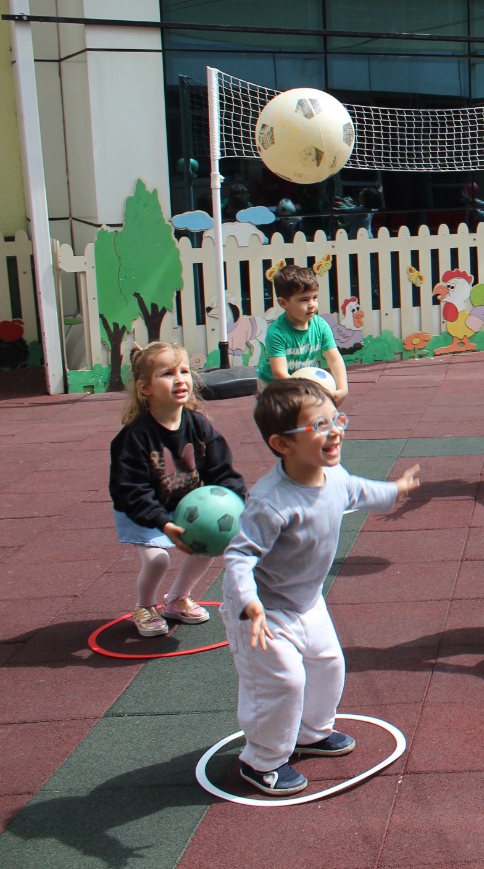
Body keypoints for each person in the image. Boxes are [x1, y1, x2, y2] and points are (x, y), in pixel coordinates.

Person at [223, 379, 421, 796]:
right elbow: (239, 556)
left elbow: (358, 491)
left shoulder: (333, 476)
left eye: (337, 420)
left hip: (307, 601)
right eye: (319, 426)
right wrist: (248, 603)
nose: (335, 432)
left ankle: (311, 733)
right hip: (263, 610)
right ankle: (261, 761)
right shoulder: (270, 502)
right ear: (282, 444)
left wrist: (395, 490)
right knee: (283, 682)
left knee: (328, 663)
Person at [108, 342, 247, 638]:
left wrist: (239, 504)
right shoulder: (135, 437)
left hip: (186, 507)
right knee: (158, 558)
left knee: (209, 543)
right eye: (168, 373)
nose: (180, 379)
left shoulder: (198, 426)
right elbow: (131, 489)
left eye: (184, 371)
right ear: (145, 388)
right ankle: (145, 606)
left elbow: (221, 471)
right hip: (143, 509)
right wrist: (162, 522)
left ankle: (177, 599)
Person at [257, 265, 349, 405]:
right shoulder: (277, 332)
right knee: (282, 417)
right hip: (273, 385)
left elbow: (334, 359)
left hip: (304, 380)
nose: (312, 304)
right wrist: (309, 392)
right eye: (304, 300)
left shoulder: (320, 326)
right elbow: (280, 373)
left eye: (314, 297)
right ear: (283, 303)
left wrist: (343, 389)